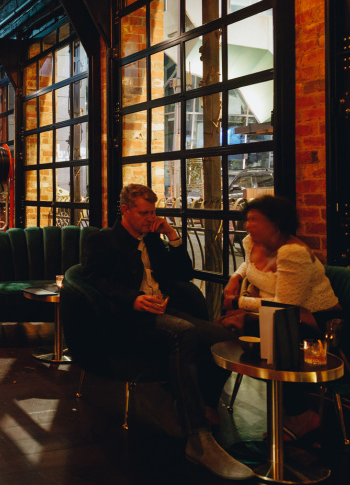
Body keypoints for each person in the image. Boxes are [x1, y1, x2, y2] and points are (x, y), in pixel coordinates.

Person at [81, 184, 252, 481]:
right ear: (126, 211)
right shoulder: (103, 241)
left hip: (163, 310)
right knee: (184, 333)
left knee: (223, 338)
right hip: (130, 318)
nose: (151, 218)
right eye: (144, 213)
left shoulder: (153, 239)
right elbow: (92, 280)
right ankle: (197, 437)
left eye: (154, 212)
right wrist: (133, 299)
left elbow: (184, 274)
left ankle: (204, 404)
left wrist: (172, 236)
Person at [223, 194, 340, 438]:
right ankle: (206, 408)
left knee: (261, 336)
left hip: (313, 323)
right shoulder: (251, 242)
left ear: (275, 224)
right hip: (274, 316)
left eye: (255, 220)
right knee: (221, 330)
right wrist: (236, 277)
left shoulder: (292, 252)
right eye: (247, 219)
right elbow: (249, 266)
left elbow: (285, 305)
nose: (247, 225)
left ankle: (302, 415)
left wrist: (237, 302)